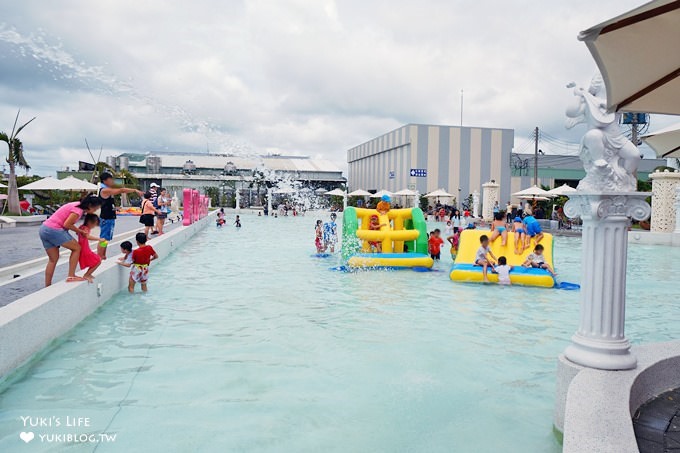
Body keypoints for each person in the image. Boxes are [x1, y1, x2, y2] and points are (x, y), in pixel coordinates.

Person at [39, 195, 103, 286]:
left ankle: (47, 285)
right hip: (54, 229)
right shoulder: (78, 209)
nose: (94, 211)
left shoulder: (76, 205)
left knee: (53, 259)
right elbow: (67, 224)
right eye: (95, 208)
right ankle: (71, 275)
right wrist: (80, 231)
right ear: (89, 205)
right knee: (77, 248)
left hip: (44, 229)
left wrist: (78, 231)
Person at [97, 171, 144, 259]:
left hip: (109, 217)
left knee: (106, 239)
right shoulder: (105, 190)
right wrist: (135, 190)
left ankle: (103, 255)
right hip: (106, 218)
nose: (112, 181)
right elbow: (121, 190)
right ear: (105, 180)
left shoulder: (107, 190)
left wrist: (115, 209)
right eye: (110, 179)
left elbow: (107, 205)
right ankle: (99, 255)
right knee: (103, 238)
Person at [77, 213, 104, 283]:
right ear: (89, 222)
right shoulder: (86, 229)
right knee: (98, 261)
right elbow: (88, 236)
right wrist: (99, 239)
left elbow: (78, 233)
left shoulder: (81, 227)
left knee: (95, 261)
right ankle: (87, 274)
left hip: (83, 248)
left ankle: (89, 273)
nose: (94, 226)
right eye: (94, 224)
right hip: (85, 250)